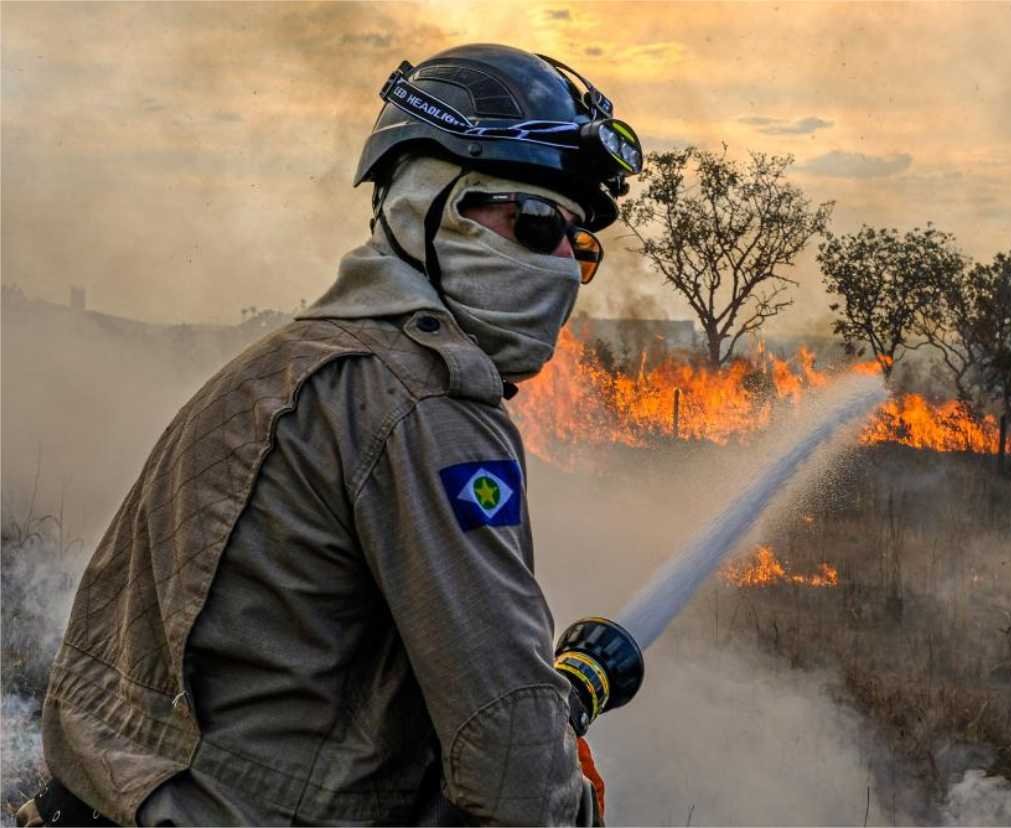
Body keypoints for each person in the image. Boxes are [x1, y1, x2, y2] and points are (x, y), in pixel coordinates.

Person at [18, 43, 642, 827]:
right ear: (421, 207)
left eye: (580, 245)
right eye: (535, 220)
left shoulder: (277, 366)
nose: (559, 261)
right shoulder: (424, 403)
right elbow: (512, 757)